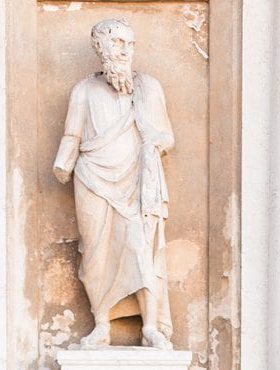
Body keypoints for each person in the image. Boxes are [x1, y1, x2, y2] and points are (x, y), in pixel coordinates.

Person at [52, 17, 175, 349]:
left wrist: (153, 142)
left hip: (135, 178)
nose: (125, 50)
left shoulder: (148, 87)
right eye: (117, 42)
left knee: (138, 247)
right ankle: (101, 324)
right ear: (100, 47)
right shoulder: (84, 91)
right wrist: (63, 162)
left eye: (129, 44)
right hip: (91, 177)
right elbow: (72, 134)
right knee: (94, 251)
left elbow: (166, 134)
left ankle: (150, 327)